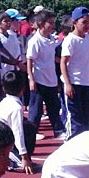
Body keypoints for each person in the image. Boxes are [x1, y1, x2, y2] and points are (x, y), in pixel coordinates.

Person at [26, 9, 65, 139]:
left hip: (51, 79)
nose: (53, 25)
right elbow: (30, 60)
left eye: (54, 22)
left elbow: (51, 57)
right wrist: (31, 79)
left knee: (54, 107)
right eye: (50, 22)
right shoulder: (35, 41)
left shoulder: (51, 39)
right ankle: (31, 132)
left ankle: (59, 131)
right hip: (39, 79)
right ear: (41, 24)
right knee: (36, 110)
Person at [60, 6, 89, 139]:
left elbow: (88, 61)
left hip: (85, 83)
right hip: (74, 83)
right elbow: (63, 63)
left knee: (87, 115)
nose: (87, 25)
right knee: (75, 118)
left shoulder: (88, 39)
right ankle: (69, 143)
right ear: (74, 23)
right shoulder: (70, 40)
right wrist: (68, 84)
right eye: (84, 22)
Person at [0, 71, 37, 174]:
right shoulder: (16, 108)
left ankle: (10, 157)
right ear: (22, 89)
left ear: (3, 88)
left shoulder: (4, 101)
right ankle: (11, 160)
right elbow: (18, 133)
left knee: (28, 125)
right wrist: (24, 157)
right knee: (28, 129)